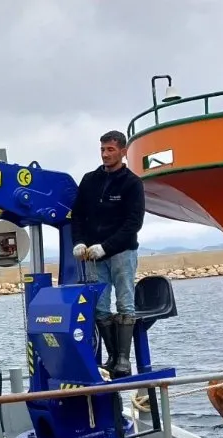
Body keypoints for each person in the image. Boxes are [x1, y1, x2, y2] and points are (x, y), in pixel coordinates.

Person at [70, 130, 146, 380]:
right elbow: (77, 215)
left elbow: (133, 223)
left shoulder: (132, 183)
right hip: (94, 256)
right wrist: (79, 242)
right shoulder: (89, 180)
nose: (105, 154)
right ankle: (112, 356)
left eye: (110, 149)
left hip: (122, 253)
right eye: (102, 149)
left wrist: (107, 247)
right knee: (100, 306)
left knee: (125, 303)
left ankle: (123, 359)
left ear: (123, 151)